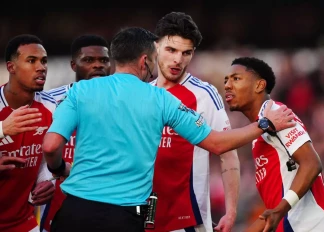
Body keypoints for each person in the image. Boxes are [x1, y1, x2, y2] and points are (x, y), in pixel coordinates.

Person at [42, 27, 295, 232]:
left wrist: (59, 168)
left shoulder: (80, 92)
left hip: (74, 212)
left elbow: (51, 145)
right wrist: (264, 124)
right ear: (144, 60)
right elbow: (217, 143)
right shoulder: (161, 99)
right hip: (124, 216)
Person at [223, 57, 324, 232]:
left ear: (259, 85)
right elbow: (273, 212)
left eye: (236, 79)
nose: (228, 85)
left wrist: (280, 209)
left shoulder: (277, 114)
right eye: (226, 80)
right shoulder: (259, 131)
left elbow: (312, 163)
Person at [151, 11, 239, 232]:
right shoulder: (143, 93)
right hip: (143, 218)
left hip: (188, 221)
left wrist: (231, 211)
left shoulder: (204, 95)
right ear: (156, 47)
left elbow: (228, 153)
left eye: (186, 53)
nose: (178, 60)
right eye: (171, 50)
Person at [41, 34, 111, 232]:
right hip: (58, 209)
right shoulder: (49, 102)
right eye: (89, 60)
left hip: (108, 207)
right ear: (73, 65)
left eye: (104, 60)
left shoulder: (123, 103)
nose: (98, 65)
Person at [0, 34, 56, 232]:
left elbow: (44, 161)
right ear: (11, 67)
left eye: (44, 61)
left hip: (23, 222)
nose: (41, 67)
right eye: (31, 61)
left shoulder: (50, 107)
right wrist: (2, 129)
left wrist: (46, 181)